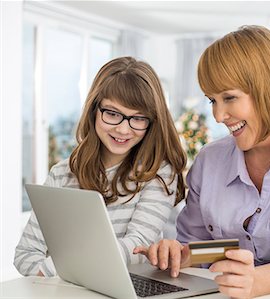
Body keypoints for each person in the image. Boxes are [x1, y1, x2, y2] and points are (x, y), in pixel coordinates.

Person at [134, 25, 270, 298]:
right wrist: (181, 255)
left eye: (229, 98)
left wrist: (257, 282)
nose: (218, 115)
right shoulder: (209, 160)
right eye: (212, 101)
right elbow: (198, 244)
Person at [14, 56, 186, 277]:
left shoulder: (158, 173)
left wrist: (58, 269)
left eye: (138, 118)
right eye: (112, 114)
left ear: (152, 121)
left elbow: (137, 245)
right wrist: (64, 275)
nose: (124, 130)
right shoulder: (62, 174)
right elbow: (26, 254)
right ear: (94, 109)